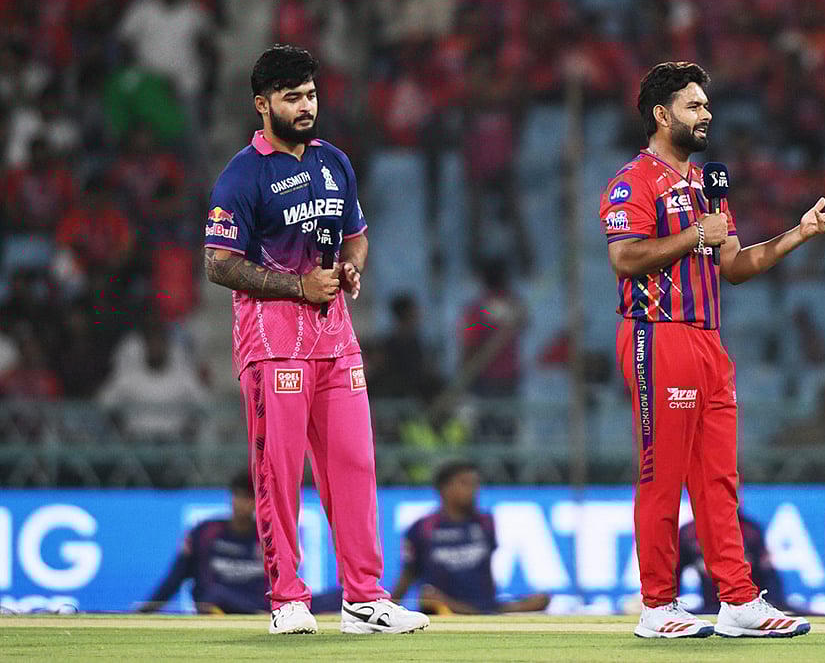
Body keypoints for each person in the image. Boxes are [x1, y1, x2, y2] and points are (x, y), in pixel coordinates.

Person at [600, 61, 825, 639]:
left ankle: (737, 599)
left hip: (711, 342)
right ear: (663, 115)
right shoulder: (632, 182)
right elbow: (624, 259)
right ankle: (657, 606)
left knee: (719, 478)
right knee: (662, 476)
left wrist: (799, 233)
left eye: (707, 105)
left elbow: (735, 265)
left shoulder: (705, 186)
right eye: (694, 106)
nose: (706, 114)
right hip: (658, 334)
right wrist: (695, 236)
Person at [202, 44, 428, 636]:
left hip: (337, 342)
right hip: (272, 343)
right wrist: (296, 285)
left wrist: (351, 268)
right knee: (278, 475)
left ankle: (364, 598)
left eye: (310, 95)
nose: (306, 107)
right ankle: (288, 600)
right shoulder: (242, 174)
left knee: (355, 467)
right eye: (291, 97)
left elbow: (355, 235)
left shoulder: (335, 162)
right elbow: (218, 263)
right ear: (262, 104)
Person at [137, 473, 344, 614]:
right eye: (239, 495)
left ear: (259, 501)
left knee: (341, 596)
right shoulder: (205, 532)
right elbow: (175, 578)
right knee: (214, 595)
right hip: (219, 600)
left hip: (263, 603)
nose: (242, 503)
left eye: (249, 497)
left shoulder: (270, 535)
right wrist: (143, 612)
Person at [391, 460, 550, 615]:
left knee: (541, 599)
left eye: (475, 484)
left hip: (485, 604)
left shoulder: (485, 523)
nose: (473, 489)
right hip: (442, 609)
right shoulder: (423, 527)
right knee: (430, 597)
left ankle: (486, 612)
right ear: (445, 488)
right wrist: (391, 608)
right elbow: (409, 573)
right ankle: (484, 613)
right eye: (465, 483)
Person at [676, 509, 789, 615]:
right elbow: (676, 570)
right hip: (711, 606)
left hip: (750, 603)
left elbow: (767, 570)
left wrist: (774, 603)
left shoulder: (750, 530)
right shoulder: (689, 533)